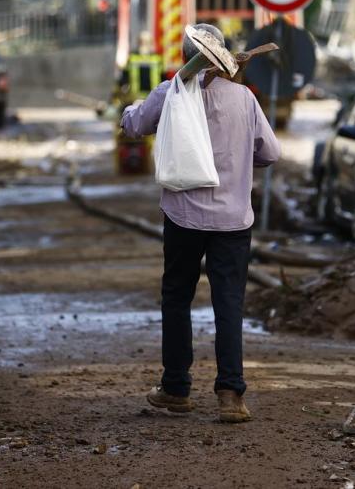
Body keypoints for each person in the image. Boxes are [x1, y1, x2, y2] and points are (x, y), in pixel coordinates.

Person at [120, 24, 280, 423]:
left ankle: (176, 388)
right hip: (232, 220)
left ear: (185, 55)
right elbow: (270, 152)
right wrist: (242, 160)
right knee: (229, 303)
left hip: (184, 218)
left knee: (177, 298)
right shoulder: (244, 99)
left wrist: (132, 107)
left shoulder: (171, 92)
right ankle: (231, 395)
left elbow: (133, 127)